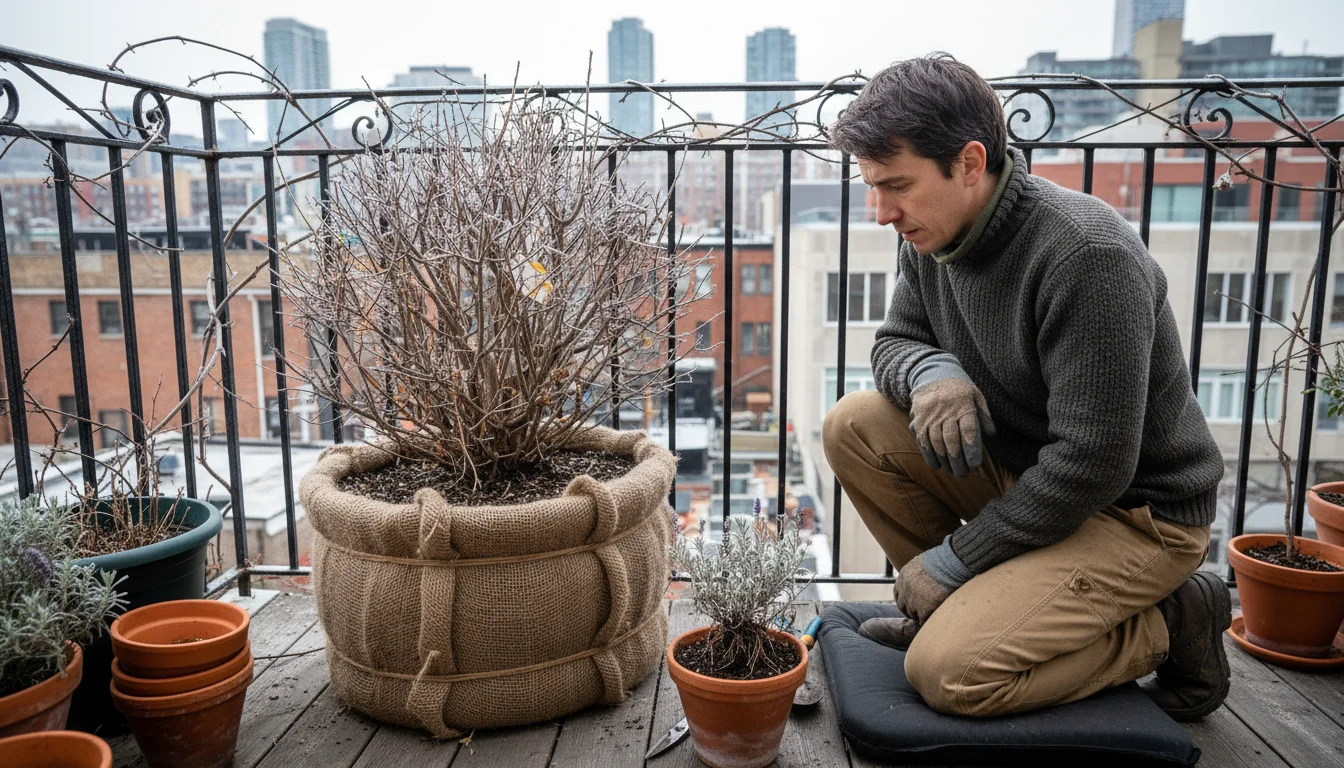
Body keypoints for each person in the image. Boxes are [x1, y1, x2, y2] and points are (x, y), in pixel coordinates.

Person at [820, 53, 1230, 721]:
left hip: (1134, 515)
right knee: (854, 426)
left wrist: (954, 559)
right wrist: (933, 373)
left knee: (949, 676)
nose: (880, 212)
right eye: (871, 186)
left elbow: (1093, 463)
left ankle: (1168, 619)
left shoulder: (1085, 257)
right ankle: (971, 610)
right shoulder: (934, 235)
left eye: (895, 185)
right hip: (1026, 472)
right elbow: (893, 343)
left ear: (971, 163)